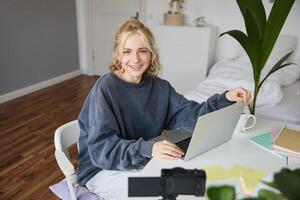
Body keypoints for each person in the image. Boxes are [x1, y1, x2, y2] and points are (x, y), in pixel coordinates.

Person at [76, 19, 251, 199]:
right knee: (170, 192)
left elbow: (194, 116)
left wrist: (225, 98)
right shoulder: (106, 88)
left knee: (197, 182)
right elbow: (102, 150)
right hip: (102, 170)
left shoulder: (160, 88)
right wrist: (148, 149)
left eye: (142, 51)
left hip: (141, 161)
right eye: (127, 52)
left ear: (152, 54)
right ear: (118, 55)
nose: (135, 59)